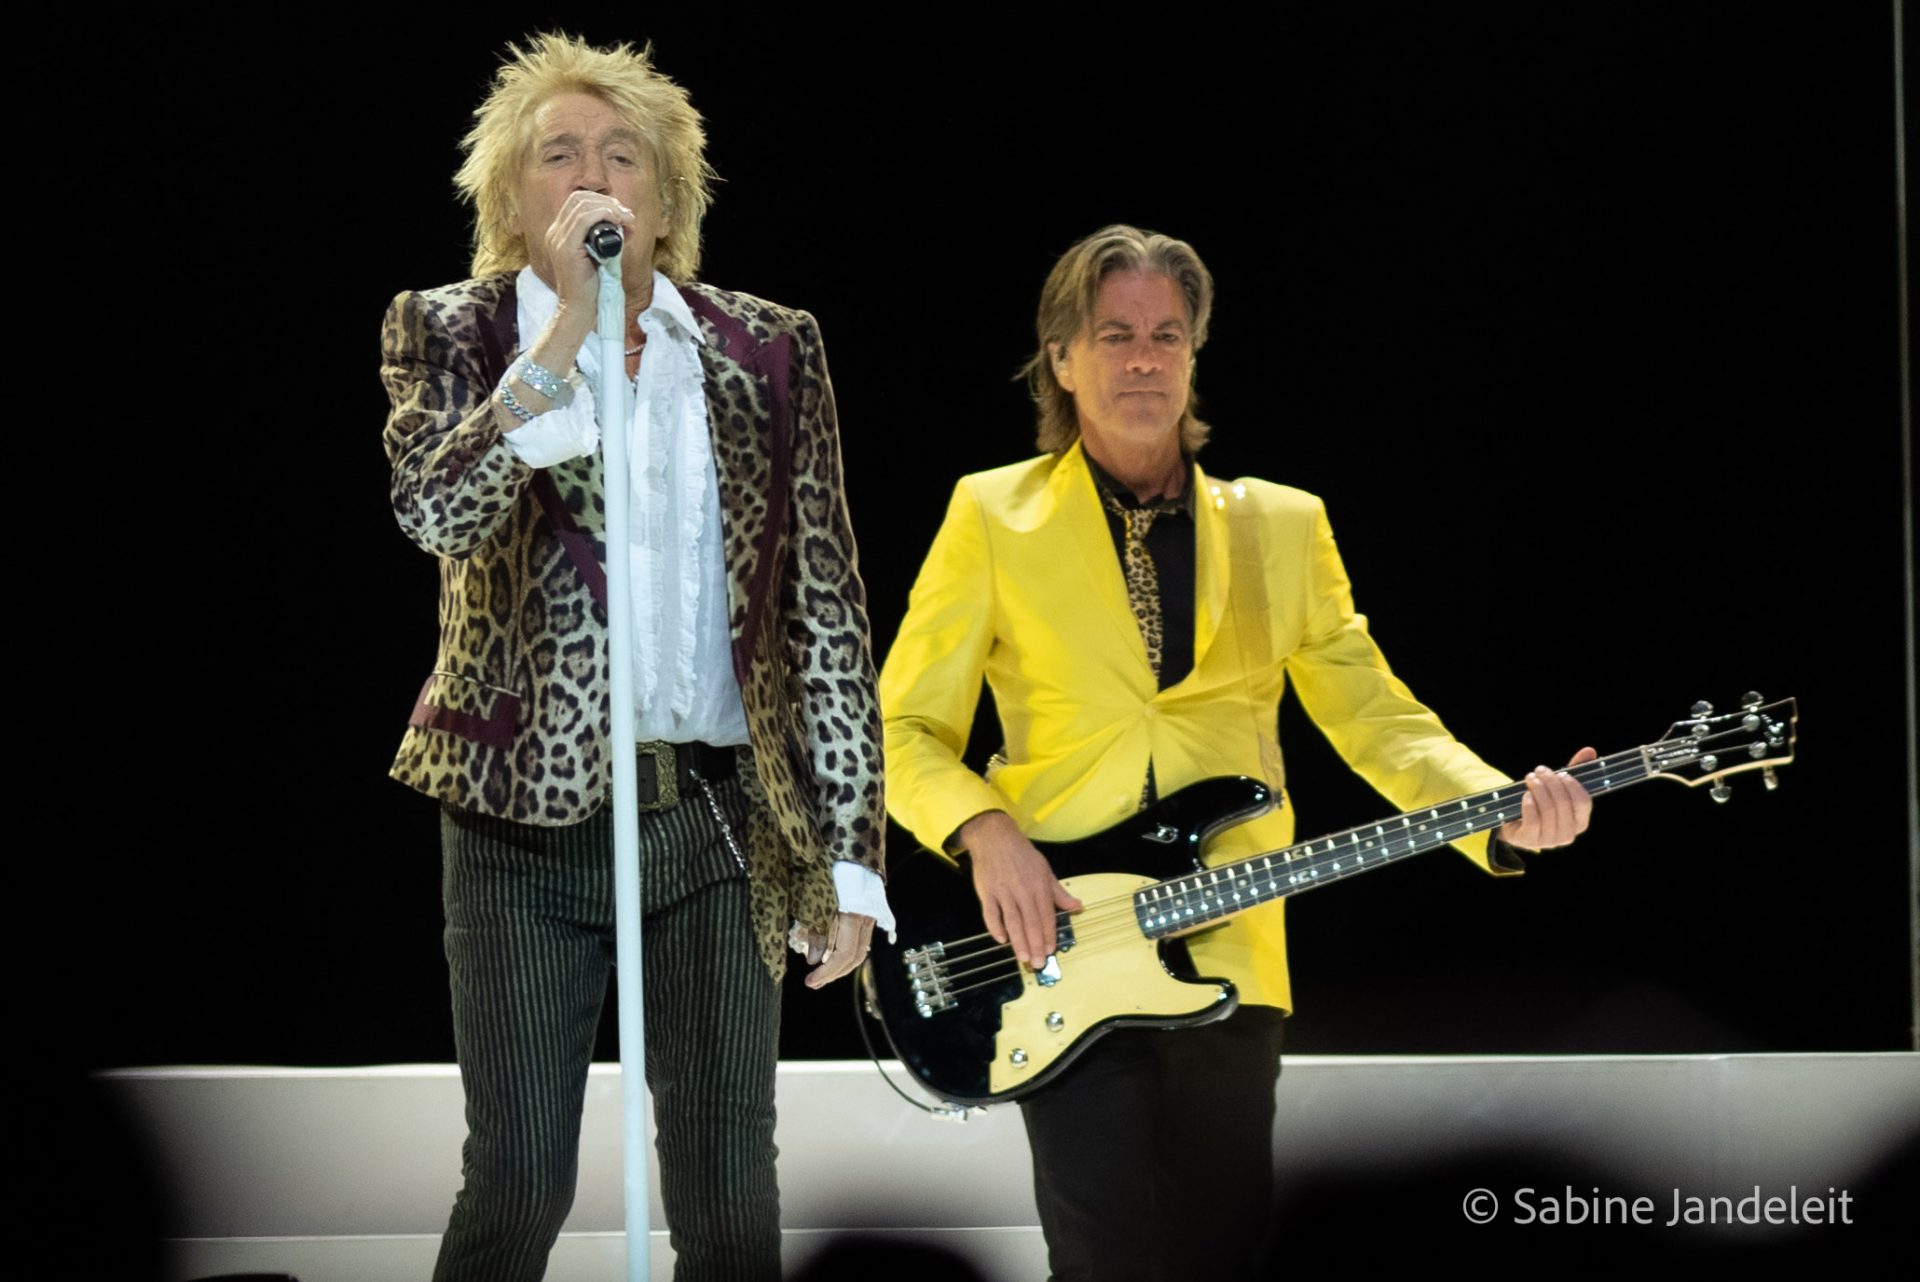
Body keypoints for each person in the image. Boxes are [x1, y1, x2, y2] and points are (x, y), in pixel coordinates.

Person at [878, 225, 1592, 1281]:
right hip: (1064, 943)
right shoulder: (992, 513)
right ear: (1062, 359)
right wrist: (986, 833)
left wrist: (1500, 808)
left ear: (1194, 353)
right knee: (1107, 1258)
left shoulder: (1284, 526)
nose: (1144, 359)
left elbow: (1377, 719)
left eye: (1167, 335)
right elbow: (901, 729)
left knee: (1224, 1254)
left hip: (1233, 946)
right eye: (1115, 335)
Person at [379, 34, 887, 1282]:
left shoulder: (767, 349)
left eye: (622, 156)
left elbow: (824, 608)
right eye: (558, 156)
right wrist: (561, 338)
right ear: (513, 199)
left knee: (727, 1189)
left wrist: (850, 854)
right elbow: (436, 510)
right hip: (519, 823)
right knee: (520, 1179)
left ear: (667, 199)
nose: (593, 178)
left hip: (716, 817)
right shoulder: (451, 329)